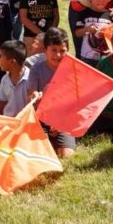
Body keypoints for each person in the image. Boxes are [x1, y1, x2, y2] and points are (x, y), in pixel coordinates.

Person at [26, 27, 77, 158]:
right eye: (53, 50)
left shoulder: (72, 70)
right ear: (45, 50)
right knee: (40, 154)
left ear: (68, 50)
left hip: (64, 119)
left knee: (66, 155)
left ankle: (59, 142)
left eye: (62, 51)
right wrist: (35, 96)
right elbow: (31, 99)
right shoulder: (36, 69)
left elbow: (75, 103)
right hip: (41, 119)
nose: (58, 55)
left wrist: (59, 122)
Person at [74, 0, 113, 66]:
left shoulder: (111, 15)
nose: (101, 0)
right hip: (87, 57)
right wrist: (87, 29)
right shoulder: (84, 13)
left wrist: (107, 33)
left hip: (106, 58)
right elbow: (77, 33)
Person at [0, 40, 29, 117]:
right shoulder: (4, 80)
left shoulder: (31, 79)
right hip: (8, 121)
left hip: (26, 121)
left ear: (12, 62)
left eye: (1, 56)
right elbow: (1, 105)